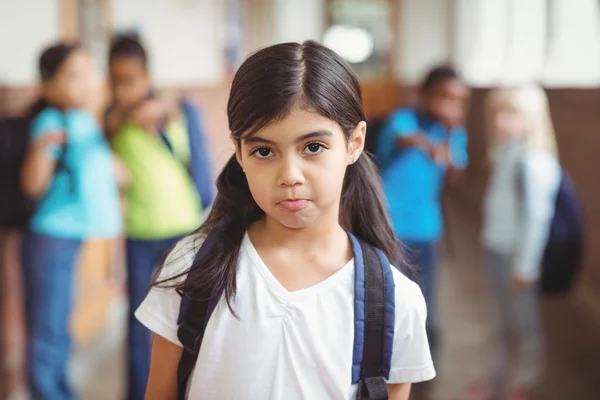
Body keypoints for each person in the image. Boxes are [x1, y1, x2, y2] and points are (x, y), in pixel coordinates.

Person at [134, 41, 435, 399]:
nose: (289, 175)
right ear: (240, 153)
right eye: (264, 151)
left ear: (354, 142)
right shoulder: (193, 268)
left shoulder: (394, 302)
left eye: (313, 147)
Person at [105, 34, 214, 400]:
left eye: (131, 80)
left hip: (182, 229)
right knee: (138, 323)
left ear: (147, 75)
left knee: (187, 320)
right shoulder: (111, 119)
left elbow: (188, 127)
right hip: (138, 232)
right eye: (116, 81)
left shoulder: (175, 108)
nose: (124, 90)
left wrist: (165, 109)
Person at [20, 42, 124, 400]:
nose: (88, 81)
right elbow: (33, 184)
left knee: (59, 328)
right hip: (52, 238)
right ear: (50, 86)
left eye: (90, 71)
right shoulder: (52, 121)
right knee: (49, 329)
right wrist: (39, 150)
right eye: (74, 75)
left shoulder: (85, 119)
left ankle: (58, 391)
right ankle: (48, 392)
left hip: (73, 237)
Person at [465, 86, 560, 400]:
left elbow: (537, 218)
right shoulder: (506, 151)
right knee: (499, 321)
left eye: (511, 114)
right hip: (496, 248)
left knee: (523, 323)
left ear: (531, 119)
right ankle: (496, 380)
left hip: (517, 257)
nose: (499, 121)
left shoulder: (534, 161)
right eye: (497, 113)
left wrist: (525, 265)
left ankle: (523, 382)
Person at [374, 66, 470, 363]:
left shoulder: (453, 132)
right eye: (444, 96)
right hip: (389, 230)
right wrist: (425, 143)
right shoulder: (403, 119)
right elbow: (400, 138)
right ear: (424, 94)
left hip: (427, 232)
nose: (450, 105)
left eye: (458, 100)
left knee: (425, 307)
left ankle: (423, 373)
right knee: (388, 306)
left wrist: (450, 136)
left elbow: (455, 175)